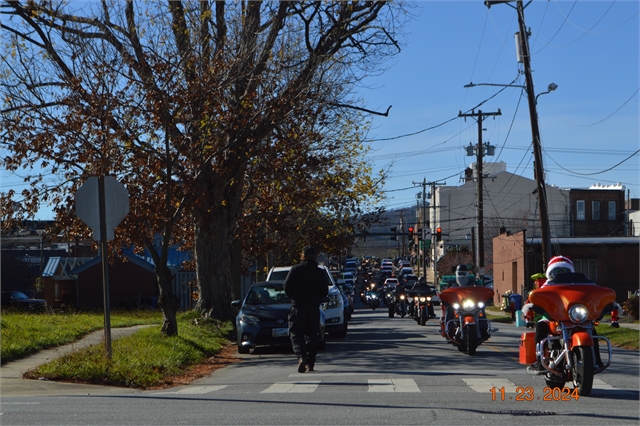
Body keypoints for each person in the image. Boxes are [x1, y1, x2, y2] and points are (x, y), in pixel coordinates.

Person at [522, 255, 622, 373]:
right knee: (541, 326)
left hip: (576, 316)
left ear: (571, 271)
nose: (560, 273)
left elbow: (594, 293)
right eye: (556, 271)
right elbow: (534, 297)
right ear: (550, 272)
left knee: (591, 329)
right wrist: (531, 308)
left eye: (564, 270)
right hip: (553, 317)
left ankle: (596, 360)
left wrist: (608, 303)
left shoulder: (581, 285)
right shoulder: (547, 286)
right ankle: (540, 360)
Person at [283, 246, 328, 373]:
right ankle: (311, 362)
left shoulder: (295, 270)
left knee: (296, 335)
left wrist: (295, 297)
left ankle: (301, 357)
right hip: (313, 308)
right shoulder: (319, 272)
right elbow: (324, 291)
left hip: (298, 307)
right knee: (312, 335)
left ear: (302, 256)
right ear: (315, 256)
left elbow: (287, 287)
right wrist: (316, 297)